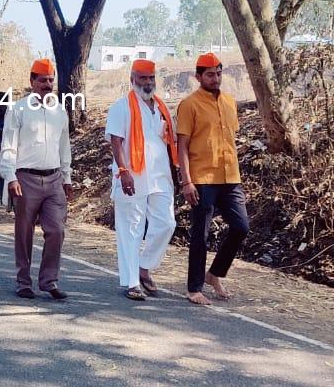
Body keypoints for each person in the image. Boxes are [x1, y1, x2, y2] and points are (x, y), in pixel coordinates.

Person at [176, 53, 248, 306]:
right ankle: (194, 288)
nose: (215, 78)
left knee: (241, 228)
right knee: (200, 234)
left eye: (218, 73)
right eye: (209, 74)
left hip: (230, 176)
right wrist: (186, 181)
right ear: (198, 77)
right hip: (202, 178)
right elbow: (181, 145)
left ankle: (214, 274)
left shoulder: (230, 102)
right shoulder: (189, 104)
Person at [1, 58, 73, 301]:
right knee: (24, 232)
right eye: (42, 80)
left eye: (51, 80)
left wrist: (67, 176)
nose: (48, 84)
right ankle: (23, 281)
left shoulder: (60, 110)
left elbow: (64, 146)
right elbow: (8, 145)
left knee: (56, 230)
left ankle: (49, 281)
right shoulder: (18, 109)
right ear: (32, 81)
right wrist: (10, 177)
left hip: (54, 179)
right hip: (26, 178)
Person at [106, 58, 178, 301]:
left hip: (159, 176)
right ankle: (132, 282)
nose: (147, 83)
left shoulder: (160, 107)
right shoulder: (121, 107)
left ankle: (144, 266)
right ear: (132, 80)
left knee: (167, 224)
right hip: (132, 175)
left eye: (151, 78)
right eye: (142, 78)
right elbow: (116, 141)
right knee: (131, 229)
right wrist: (123, 171)